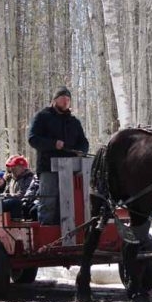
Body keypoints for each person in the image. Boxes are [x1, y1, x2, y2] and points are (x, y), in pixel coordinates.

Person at [28, 86, 89, 224]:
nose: (66, 102)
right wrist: (53, 144)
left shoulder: (74, 122)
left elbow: (83, 142)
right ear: (55, 100)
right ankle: (47, 234)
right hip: (49, 167)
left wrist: (82, 151)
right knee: (49, 202)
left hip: (72, 168)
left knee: (72, 201)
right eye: (63, 99)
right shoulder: (42, 117)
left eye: (68, 100)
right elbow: (33, 139)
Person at [5, 155, 36, 220]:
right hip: (14, 206)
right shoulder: (11, 179)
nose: (11, 169)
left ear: (22, 167)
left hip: (24, 207)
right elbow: (6, 192)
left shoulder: (29, 178)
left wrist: (7, 196)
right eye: (11, 167)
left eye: (14, 167)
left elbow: (24, 194)